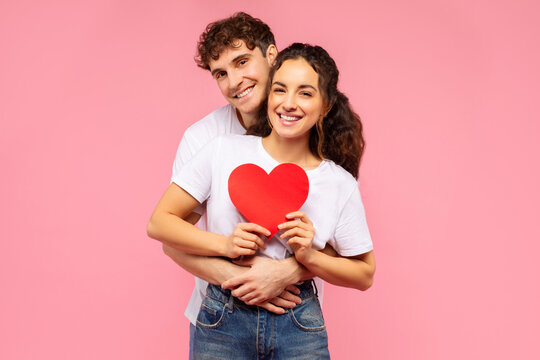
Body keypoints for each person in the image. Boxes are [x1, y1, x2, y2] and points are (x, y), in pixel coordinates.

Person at [147, 43, 376, 359]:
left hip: (297, 320)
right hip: (222, 317)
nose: (289, 103)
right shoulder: (222, 151)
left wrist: (307, 256)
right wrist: (226, 246)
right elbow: (159, 223)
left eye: (305, 93)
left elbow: (364, 273)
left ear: (326, 105)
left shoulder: (338, 182)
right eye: (280, 90)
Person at [158, 12, 328, 358]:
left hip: (295, 318)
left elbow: (340, 243)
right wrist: (243, 274)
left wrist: (283, 274)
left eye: (242, 61)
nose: (234, 81)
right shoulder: (204, 138)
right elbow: (170, 236)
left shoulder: (311, 130)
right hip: (219, 317)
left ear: (271, 56)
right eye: (221, 73)